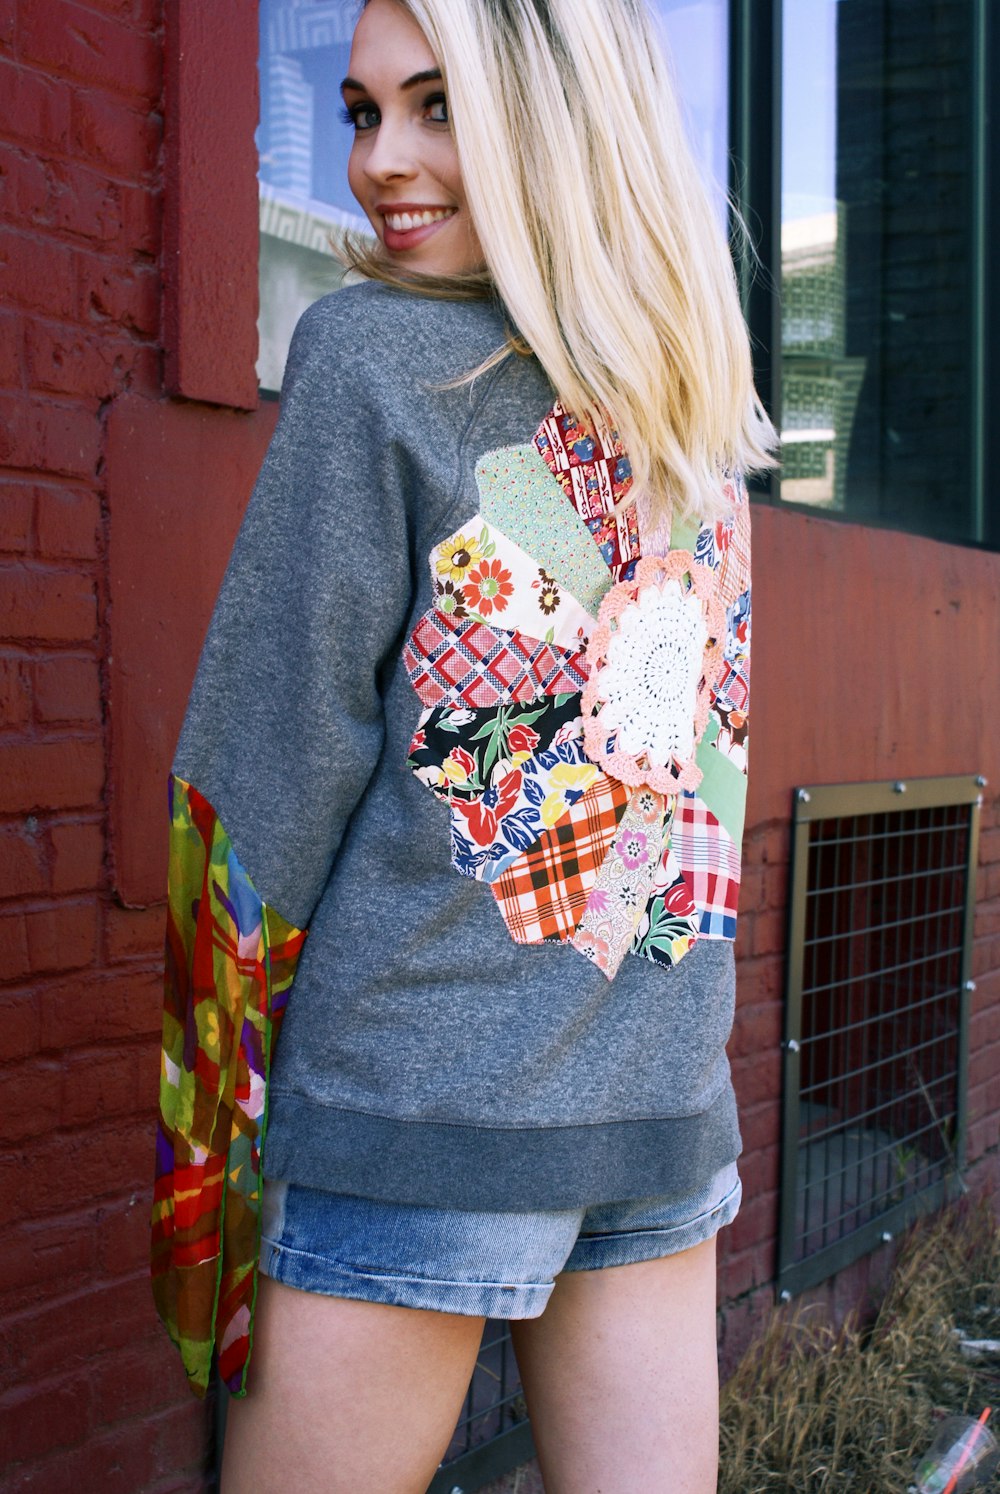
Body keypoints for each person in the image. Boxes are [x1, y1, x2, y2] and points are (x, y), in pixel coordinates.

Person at [150, 0, 777, 1489]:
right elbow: (701, 779)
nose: (382, 162)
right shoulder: (686, 402)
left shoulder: (370, 356)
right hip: (657, 1113)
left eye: (438, 107)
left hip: (411, 1117)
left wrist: (198, 1145)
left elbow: (256, 790)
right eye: (363, 113)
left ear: (551, 120)